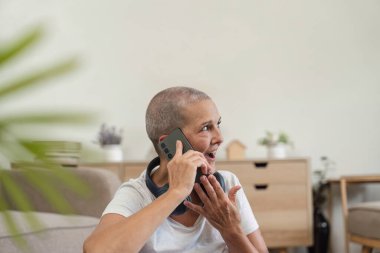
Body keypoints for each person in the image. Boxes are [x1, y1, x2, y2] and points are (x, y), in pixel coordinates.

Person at [83, 87, 268, 253]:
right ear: (171, 143)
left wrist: (231, 230)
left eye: (217, 124)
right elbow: (96, 250)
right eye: (206, 128)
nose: (220, 138)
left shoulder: (227, 185)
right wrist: (176, 193)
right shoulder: (137, 194)